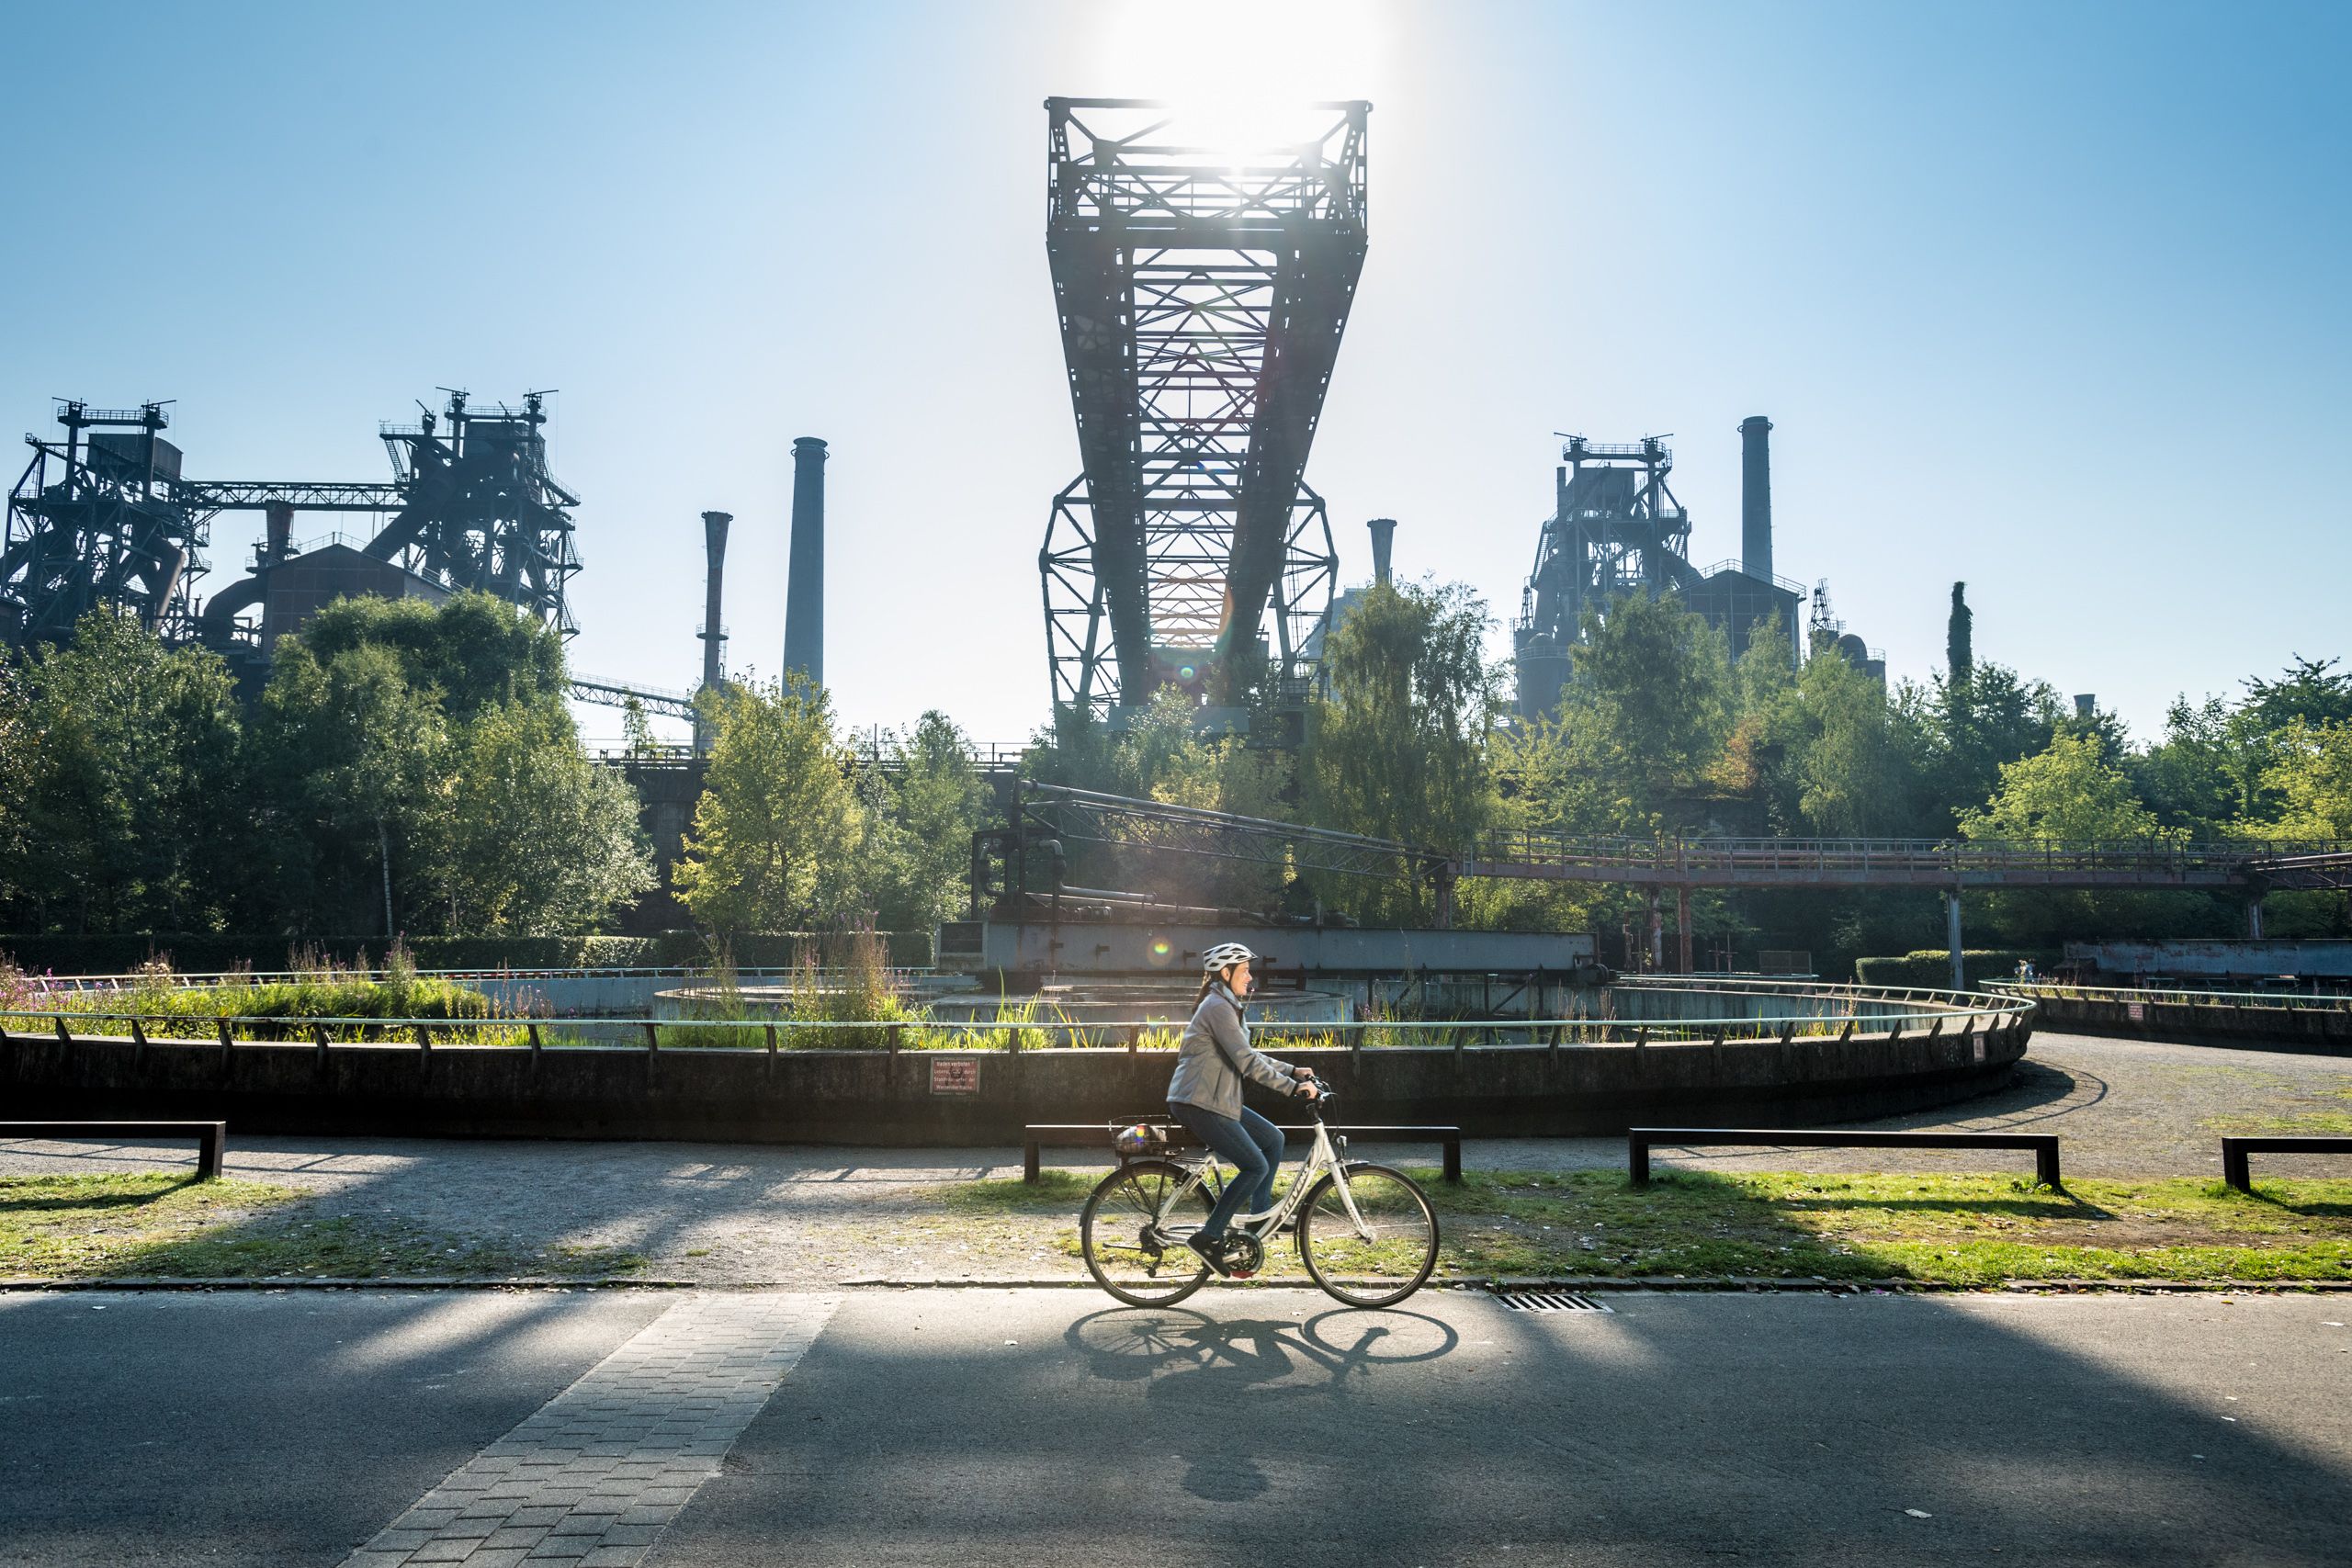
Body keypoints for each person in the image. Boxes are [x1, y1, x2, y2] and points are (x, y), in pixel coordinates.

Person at [1166, 941, 1318, 1276]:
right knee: (1255, 1166)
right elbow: (1247, 1062)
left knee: (1273, 1140)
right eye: (1246, 970)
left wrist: (1292, 1070)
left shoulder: (1227, 1005)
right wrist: (1293, 1088)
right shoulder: (1217, 1008)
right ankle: (1209, 1236)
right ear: (1225, 972)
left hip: (1217, 1100)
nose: (1250, 977)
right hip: (1199, 1101)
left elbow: (1250, 1055)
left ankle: (1257, 1220)